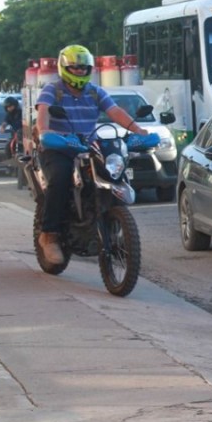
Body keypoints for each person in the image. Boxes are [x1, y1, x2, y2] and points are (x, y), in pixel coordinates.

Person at [35, 45, 147, 267]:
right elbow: (43, 113)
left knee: (113, 168)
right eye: (74, 67)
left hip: (87, 146)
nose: (79, 71)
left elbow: (115, 112)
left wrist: (139, 131)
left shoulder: (96, 92)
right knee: (60, 178)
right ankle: (49, 235)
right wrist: (45, 133)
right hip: (58, 148)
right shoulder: (52, 90)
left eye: (83, 67)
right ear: (64, 68)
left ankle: (109, 218)